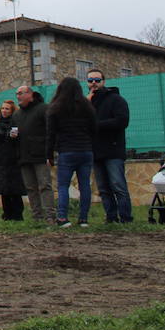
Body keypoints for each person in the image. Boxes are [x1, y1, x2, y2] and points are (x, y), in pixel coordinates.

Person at [46, 76, 95, 228]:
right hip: (85, 150)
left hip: (66, 151)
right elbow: (94, 128)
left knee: (63, 186)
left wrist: (49, 155)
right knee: (85, 185)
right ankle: (83, 219)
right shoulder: (87, 106)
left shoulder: (56, 107)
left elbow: (51, 133)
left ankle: (62, 217)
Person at [88, 69, 133, 223]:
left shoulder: (116, 100)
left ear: (104, 81)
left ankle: (126, 217)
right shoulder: (88, 102)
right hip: (95, 151)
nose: (93, 83)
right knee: (103, 188)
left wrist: (97, 125)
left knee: (118, 186)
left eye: (97, 80)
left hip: (113, 150)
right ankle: (111, 217)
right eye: (90, 80)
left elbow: (122, 121)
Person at [11, 85, 54, 224]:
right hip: (24, 156)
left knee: (44, 186)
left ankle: (50, 216)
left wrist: (50, 152)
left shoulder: (43, 109)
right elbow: (13, 132)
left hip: (40, 155)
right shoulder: (17, 115)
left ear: (30, 94)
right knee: (30, 188)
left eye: (21, 93)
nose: (18, 96)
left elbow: (50, 131)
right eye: (17, 94)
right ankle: (37, 217)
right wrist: (12, 135)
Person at [0, 99, 25, 221]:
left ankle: (17, 214)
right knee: (3, 189)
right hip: (1, 159)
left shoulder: (16, 124)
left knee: (15, 189)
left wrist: (15, 137)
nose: (4, 111)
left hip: (14, 159)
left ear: (12, 111)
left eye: (7, 109)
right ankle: (7, 214)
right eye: (2, 108)